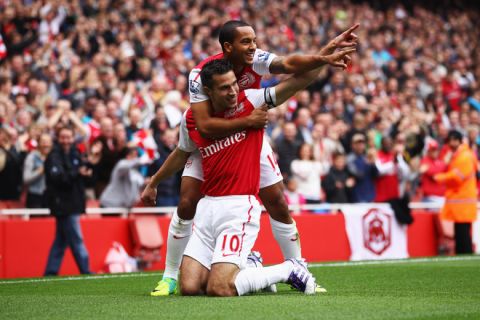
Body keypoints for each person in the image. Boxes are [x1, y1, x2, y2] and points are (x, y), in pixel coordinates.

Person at [143, 20, 359, 296]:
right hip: (216, 154)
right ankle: (171, 276)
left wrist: (323, 55)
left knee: (277, 201)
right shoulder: (199, 83)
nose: (253, 46)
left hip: (242, 173)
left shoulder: (253, 89)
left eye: (254, 40)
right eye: (246, 42)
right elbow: (203, 129)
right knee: (186, 202)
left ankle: (297, 266)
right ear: (227, 47)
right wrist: (155, 181)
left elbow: (292, 69)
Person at [180, 56, 353, 297]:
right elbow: (181, 152)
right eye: (224, 87)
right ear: (207, 91)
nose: (232, 92)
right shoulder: (194, 119)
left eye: (234, 84)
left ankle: (289, 269)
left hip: (239, 206)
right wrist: (155, 182)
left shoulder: (252, 100)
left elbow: (295, 82)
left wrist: (323, 58)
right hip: (207, 207)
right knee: (189, 287)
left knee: (219, 288)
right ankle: (250, 266)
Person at [44, 126, 92, 276]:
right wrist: (77, 172)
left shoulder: (75, 154)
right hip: (63, 204)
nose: (66, 141)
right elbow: (59, 179)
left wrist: (87, 171)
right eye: (63, 137)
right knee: (76, 239)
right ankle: (85, 270)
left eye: (68, 137)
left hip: (74, 203)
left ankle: (50, 272)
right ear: (58, 138)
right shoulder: (53, 156)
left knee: (60, 241)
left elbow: (85, 176)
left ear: (73, 138)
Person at [434, 130, 478, 254]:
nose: (449, 144)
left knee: (463, 234)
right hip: (460, 202)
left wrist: (439, 177)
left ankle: (465, 256)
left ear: (456, 141)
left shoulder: (464, 156)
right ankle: (461, 254)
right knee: (460, 233)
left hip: (463, 200)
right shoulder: (459, 155)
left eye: (450, 141)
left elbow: (457, 177)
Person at [23, 133, 53, 208]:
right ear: (38, 143)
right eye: (43, 142)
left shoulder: (55, 157)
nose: (46, 145)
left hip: (52, 196)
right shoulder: (32, 157)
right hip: (35, 196)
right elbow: (26, 179)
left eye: (48, 142)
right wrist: (39, 171)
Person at [346, 133, 377, 202]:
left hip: (370, 194)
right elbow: (358, 175)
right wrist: (367, 163)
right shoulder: (350, 159)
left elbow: (376, 174)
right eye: (357, 143)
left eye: (362, 143)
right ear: (352, 145)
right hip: (357, 195)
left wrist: (373, 163)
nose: (360, 146)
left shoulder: (366, 157)